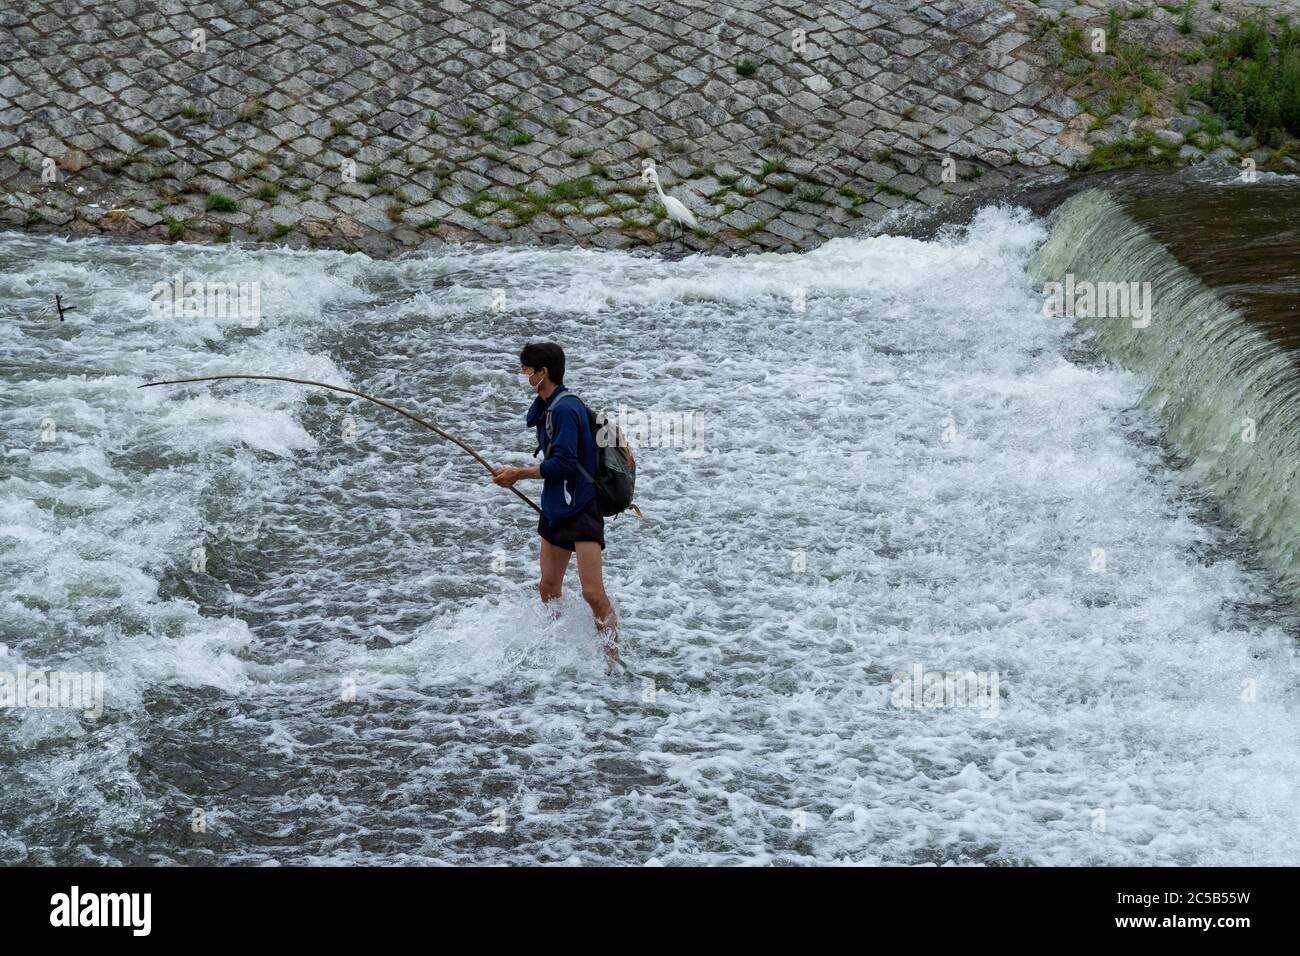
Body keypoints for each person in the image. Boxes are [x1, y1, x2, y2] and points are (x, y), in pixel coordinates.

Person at [492, 342, 619, 665]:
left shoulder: (565, 409)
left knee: (592, 593)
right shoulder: (546, 405)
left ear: (543, 372)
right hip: (556, 506)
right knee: (548, 586)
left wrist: (518, 474)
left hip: (582, 507)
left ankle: (614, 658)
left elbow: (564, 463)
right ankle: (558, 646)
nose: (523, 376)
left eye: (526, 370)